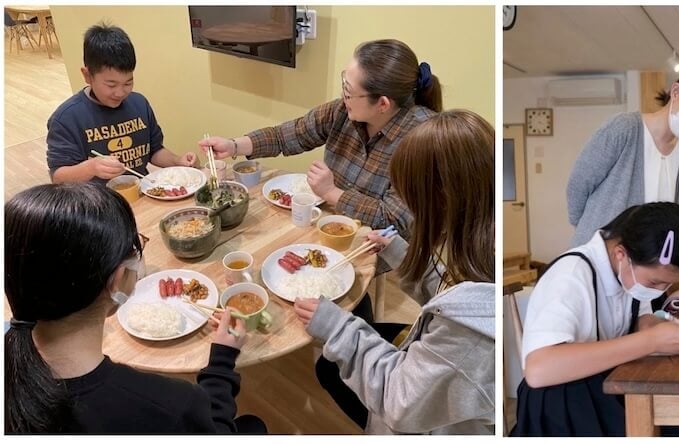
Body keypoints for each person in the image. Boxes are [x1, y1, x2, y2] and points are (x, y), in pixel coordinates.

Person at [292, 110, 495, 435]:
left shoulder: (473, 335)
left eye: (411, 200)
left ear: (440, 201)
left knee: (330, 368)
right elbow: (454, 298)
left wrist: (336, 327)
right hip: (427, 376)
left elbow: (400, 402)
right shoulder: (486, 251)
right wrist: (401, 254)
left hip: (420, 420)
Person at [4, 183, 264, 434]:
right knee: (254, 425)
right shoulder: (171, 405)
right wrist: (222, 361)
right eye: (134, 247)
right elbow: (214, 430)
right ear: (117, 279)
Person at [200, 39, 442, 241]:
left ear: (382, 104)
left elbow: (395, 221)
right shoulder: (343, 112)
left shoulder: (423, 140)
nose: (342, 96)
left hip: (377, 242)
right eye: (343, 83)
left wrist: (330, 191)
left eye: (348, 91)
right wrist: (233, 145)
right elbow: (289, 134)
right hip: (331, 221)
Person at [512, 202, 679, 436]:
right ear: (621, 254)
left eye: (668, 285)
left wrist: (667, 331)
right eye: (655, 283)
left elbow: (641, 319)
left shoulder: (630, 273)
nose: (660, 290)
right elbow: (538, 369)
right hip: (563, 405)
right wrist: (653, 341)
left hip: (606, 385)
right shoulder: (570, 276)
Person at [566, 65, 679, 247]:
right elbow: (578, 185)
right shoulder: (624, 128)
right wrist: (589, 230)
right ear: (676, 92)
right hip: (600, 253)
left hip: (642, 260)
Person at [47, 23, 198, 184]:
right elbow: (58, 176)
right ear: (87, 75)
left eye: (128, 83)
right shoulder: (67, 117)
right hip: (97, 202)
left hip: (140, 192)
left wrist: (178, 161)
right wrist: (91, 167)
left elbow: (155, 150)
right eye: (111, 85)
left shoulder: (139, 103)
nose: (120, 93)